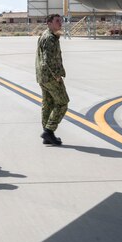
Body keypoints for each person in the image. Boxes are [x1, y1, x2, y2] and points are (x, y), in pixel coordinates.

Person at [36, 13, 69, 145]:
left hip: (42, 77)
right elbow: (47, 60)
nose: (60, 23)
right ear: (49, 23)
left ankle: (47, 136)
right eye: (57, 21)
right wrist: (56, 75)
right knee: (62, 103)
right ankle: (49, 131)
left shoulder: (48, 35)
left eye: (60, 21)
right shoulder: (49, 38)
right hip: (50, 77)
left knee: (48, 105)